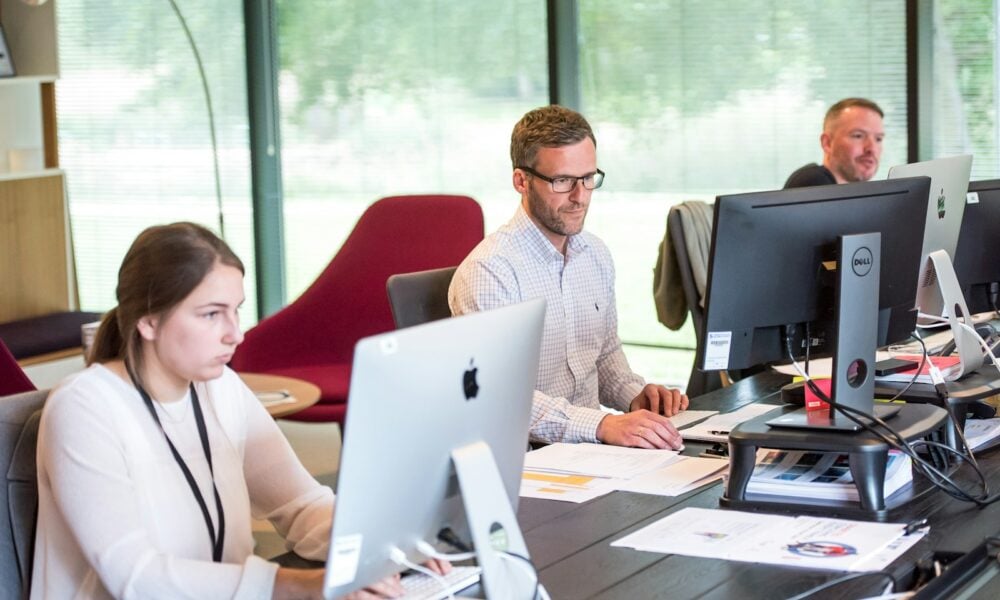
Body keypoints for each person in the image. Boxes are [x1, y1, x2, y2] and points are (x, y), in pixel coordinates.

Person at [31, 222, 445, 599]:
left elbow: (301, 505)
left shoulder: (220, 388)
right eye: (212, 314)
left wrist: (387, 545)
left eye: (236, 309)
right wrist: (300, 587)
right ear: (148, 321)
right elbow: (136, 578)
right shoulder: (84, 408)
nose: (236, 333)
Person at [449, 105, 688, 449]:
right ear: (521, 180)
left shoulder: (595, 255)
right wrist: (603, 424)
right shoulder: (490, 272)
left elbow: (604, 356)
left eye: (588, 178)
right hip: (530, 460)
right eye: (562, 181)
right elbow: (500, 395)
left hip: (592, 453)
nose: (580, 197)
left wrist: (637, 398)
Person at [784, 97, 885, 188]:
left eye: (878, 139)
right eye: (858, 136)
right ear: (827, 143)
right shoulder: (812, 184)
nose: (872, 148)